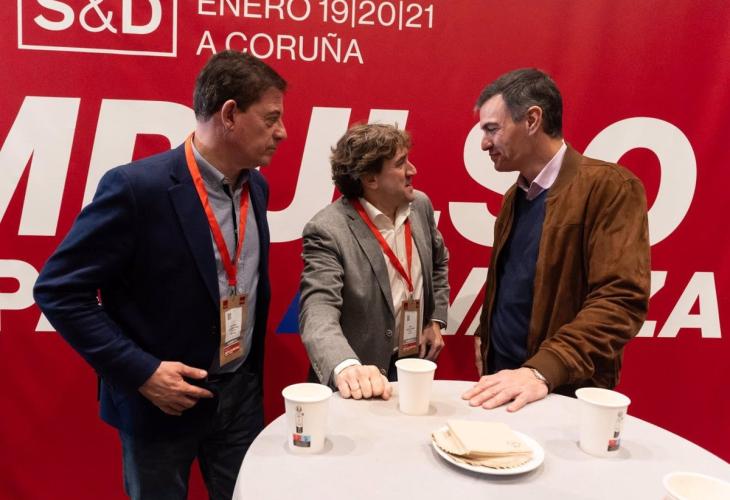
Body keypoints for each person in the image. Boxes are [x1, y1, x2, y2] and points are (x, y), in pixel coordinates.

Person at [33, 51, 287, 499]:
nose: (282, 132)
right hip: (161, 402)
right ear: (230, 114)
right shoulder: (137, 188)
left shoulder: (257, 187)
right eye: (271, 119)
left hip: (240, 395)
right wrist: (142, 372)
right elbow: (59, 289)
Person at [461, 68, 650, 412]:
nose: (484, 143)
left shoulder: (610, 187)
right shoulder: (514, 197)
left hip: (561, 392)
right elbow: (514, 281)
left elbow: (620, 301)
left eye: (492, 129)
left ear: (532, 119)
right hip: (504, 384)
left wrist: (541, 370)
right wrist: (486, 334)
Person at [299, 124, 449, 400]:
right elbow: (319, 308)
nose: (413, 170)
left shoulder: (420, 206)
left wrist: (435, 320)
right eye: (401, 163)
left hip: (411, 363)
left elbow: (439, 262)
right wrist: (346, 366)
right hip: (359, 378)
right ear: (370, 179)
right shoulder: (328, 229)